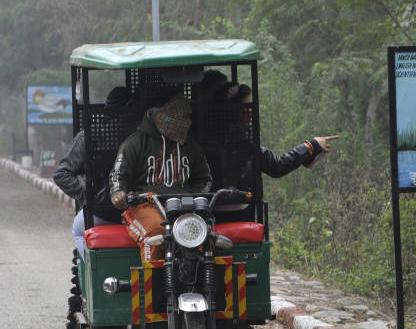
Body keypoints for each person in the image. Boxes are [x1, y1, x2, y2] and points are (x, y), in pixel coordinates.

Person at [109, 93, 212, 262]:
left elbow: (204, 178)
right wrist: (118, 192)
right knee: (156, 234)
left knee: (200, 234)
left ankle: (202, 284)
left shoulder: (191, 146)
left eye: (187, 117)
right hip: (145, 205)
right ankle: (152, 286)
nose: (186, 122)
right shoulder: (134, 143)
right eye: (180, 117)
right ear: (160, 116)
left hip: (183, 206)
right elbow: (118, 175)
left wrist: (194, 197)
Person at [54, 86, 131, 260]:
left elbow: (61, 175)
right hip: (136, 208)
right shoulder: (142, 138)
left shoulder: (90, 135)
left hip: (103, 211)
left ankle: (93, 270)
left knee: (78, 229)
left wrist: (92, 193)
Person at [212, 81, 339, 176]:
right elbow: (277, 166)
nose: (250, 112)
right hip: (240, 207)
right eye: (246, 106)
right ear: (234, 110)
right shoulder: (238, 139)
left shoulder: (217, 134)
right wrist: (310, 146)